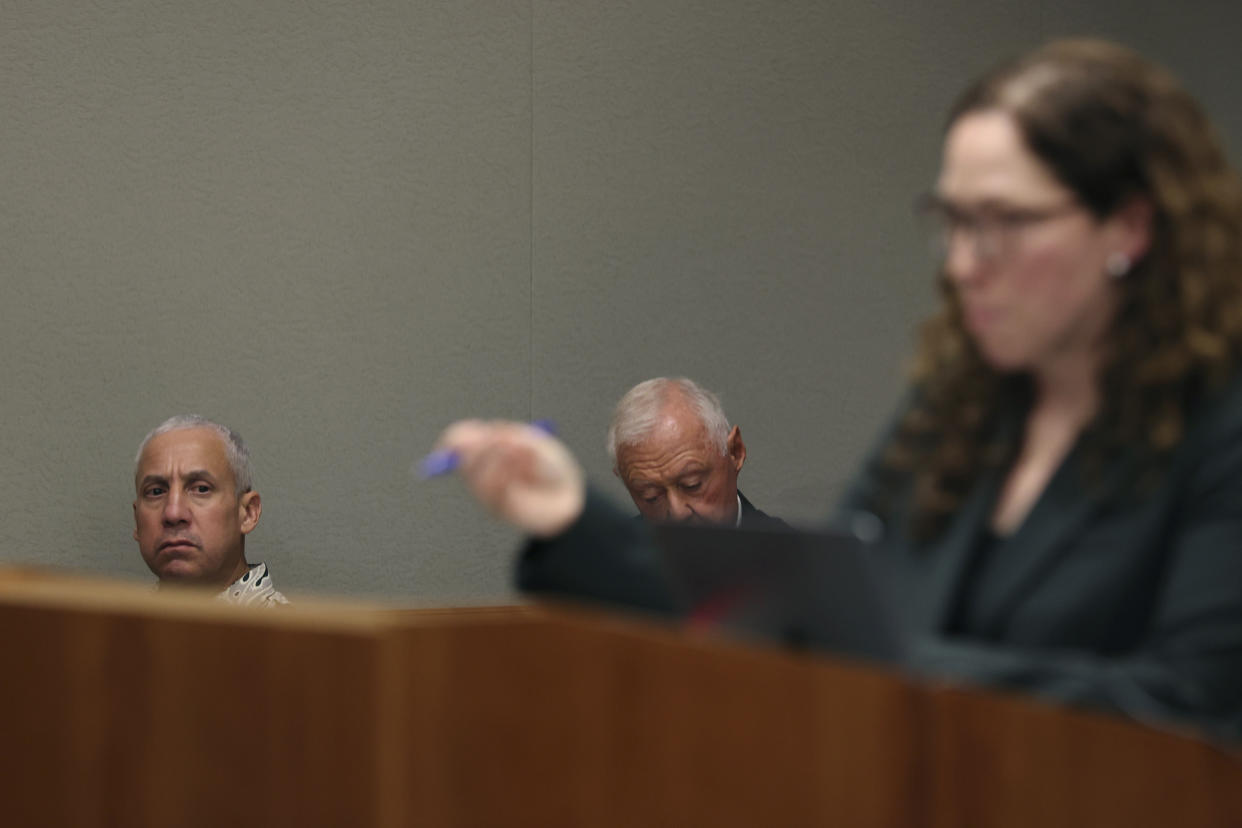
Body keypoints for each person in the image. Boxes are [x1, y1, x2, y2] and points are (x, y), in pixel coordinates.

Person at [433, 39, 1242, 740]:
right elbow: (792, 616)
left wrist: (887, 663)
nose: (962, 263)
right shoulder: (954, 415)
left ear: (1128, 228)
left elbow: (1193, 715)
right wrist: (574, 519)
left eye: (1005, 221)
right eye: (952, 221)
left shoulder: (1219, 431)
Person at [133, 415, 289, 606]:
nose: (173, 513)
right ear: (136, 521)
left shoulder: (287, 634)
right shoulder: (111, 629)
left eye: (201, 489)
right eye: (156, 492)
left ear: (248, 513)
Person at [606, 377, 782, 527]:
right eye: (651, 497)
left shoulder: (793, 559)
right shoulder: (611, 562)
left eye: (692, 485)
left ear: (735, 452)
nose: (677, 513)